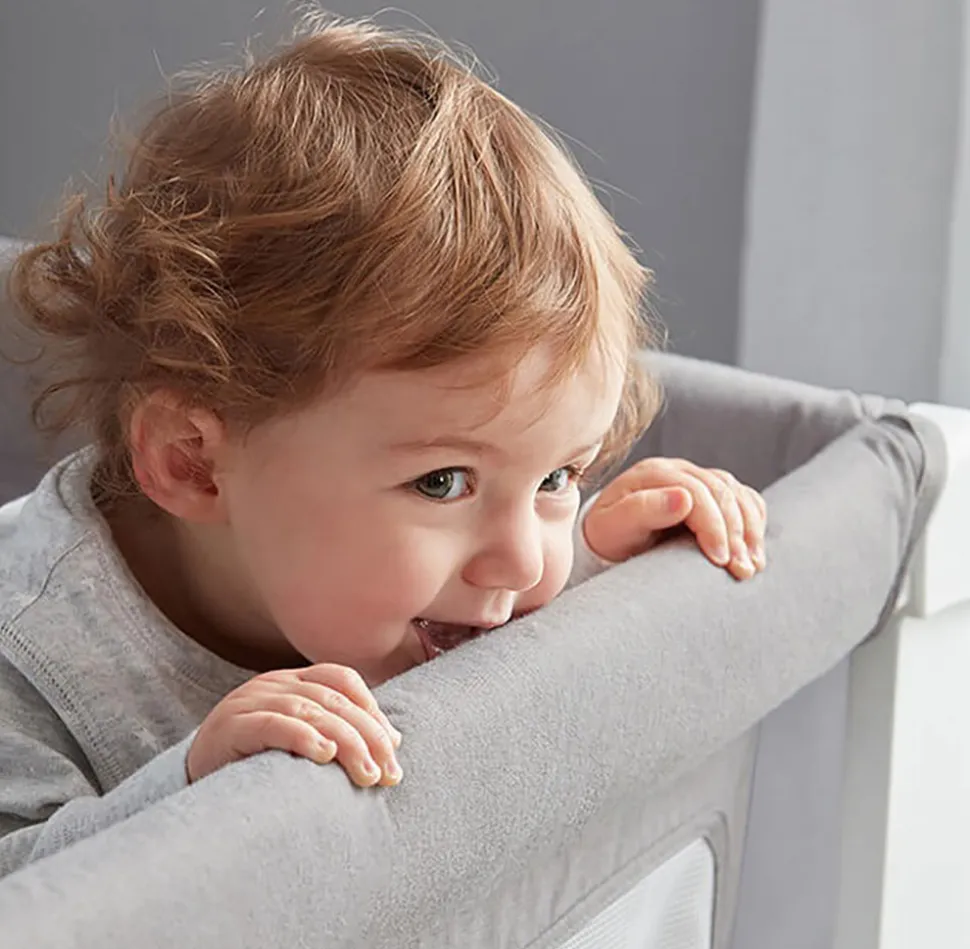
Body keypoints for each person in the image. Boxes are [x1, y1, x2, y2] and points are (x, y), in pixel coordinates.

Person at [0, 16, 765, 879]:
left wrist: (602, 566)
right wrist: (183, 796)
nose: (522, 561)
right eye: (442, 482)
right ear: (193, 463)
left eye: (558, 475)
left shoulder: (391, 569)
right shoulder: (30, 659)